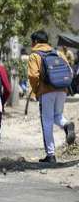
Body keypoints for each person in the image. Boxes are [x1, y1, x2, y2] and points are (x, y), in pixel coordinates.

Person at [28, 30, 76, 163]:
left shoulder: (34, 55)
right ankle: (67, 125)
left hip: (46, 91)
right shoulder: (58, 53)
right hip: (62, 89)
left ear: (35, 41)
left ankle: (50, 155)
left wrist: (36, 90)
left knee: (47, 121)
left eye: (32, 42)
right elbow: (70, 71)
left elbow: (33, 75)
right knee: (57, 115)